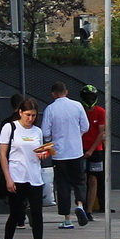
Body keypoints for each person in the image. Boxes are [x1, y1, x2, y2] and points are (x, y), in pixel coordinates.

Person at [0, 96, 51, 239]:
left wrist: (43, 154)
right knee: (15, 213)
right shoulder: (10, 127)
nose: (30, 119)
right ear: (20, 112)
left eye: (34, 115)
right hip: (17, 175)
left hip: (34, 176)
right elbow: (3, 154)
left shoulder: (37, 131)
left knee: (37, 213)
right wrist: (8, 178)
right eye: (28, 115)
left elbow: (40, 152)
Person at [42, 82, 91, 229]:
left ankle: (66, 218)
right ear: (66, 91)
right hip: (76, 150)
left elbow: (45, 133)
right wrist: (77, 135)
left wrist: (52, 139)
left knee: (62, 185)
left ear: (53, 94)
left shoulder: (50, 109)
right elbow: (86, 126)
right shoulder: (77, 106)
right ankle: (80, 205)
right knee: (79, 181)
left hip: (59, 153)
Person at [79, 84, 106, 213]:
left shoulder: (101, 112)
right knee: (82, 178)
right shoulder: (79, 111)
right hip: (80, 149)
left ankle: (89, 210)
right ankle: (81, 205)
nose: (89, 99)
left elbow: (101, 133)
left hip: (96, 150)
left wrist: (91, 150)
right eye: (87, 96)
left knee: (93, 179)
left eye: (92, 96)